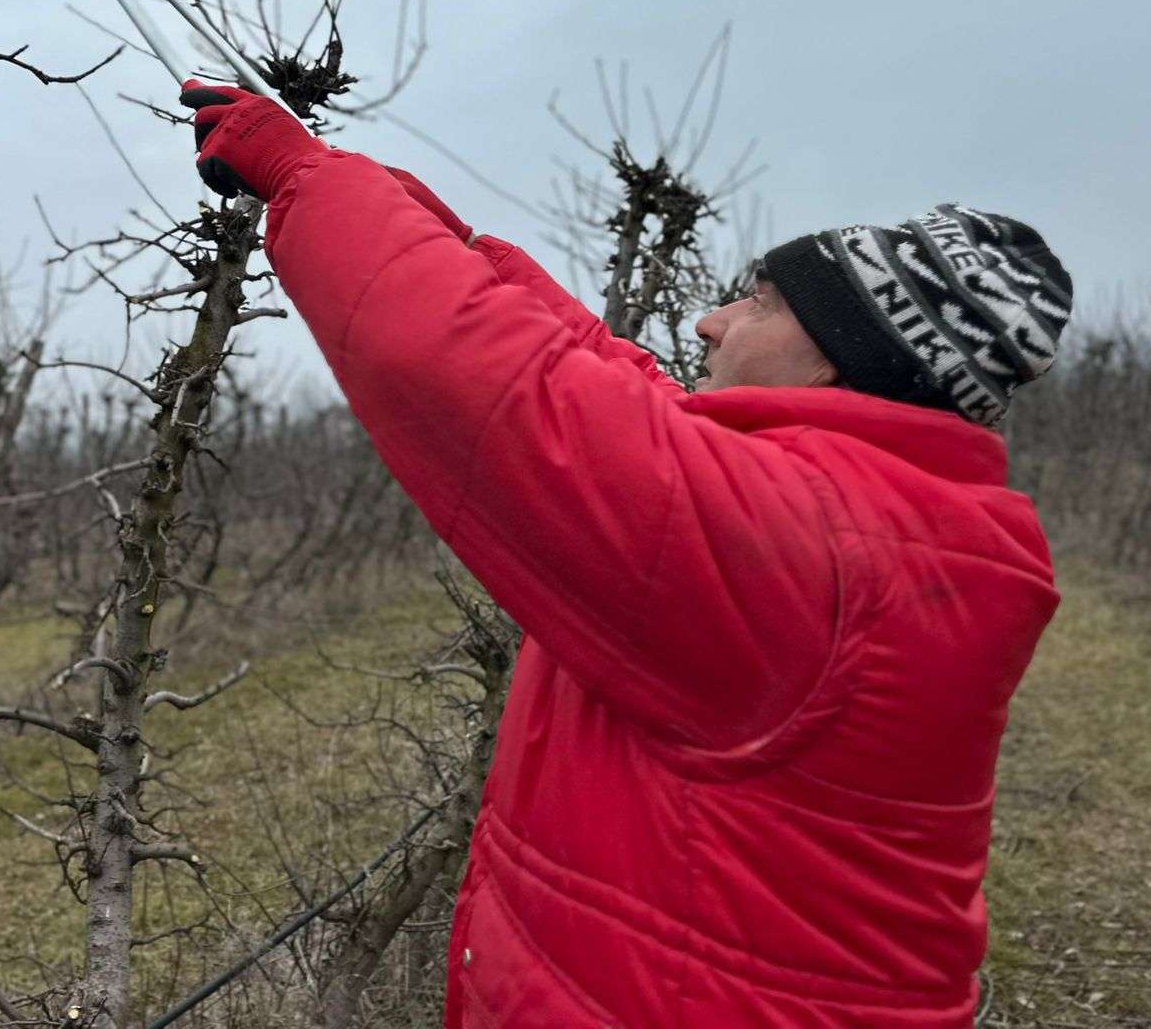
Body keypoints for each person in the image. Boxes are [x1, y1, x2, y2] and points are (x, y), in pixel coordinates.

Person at [178, 80, 1075, 1029]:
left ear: (838, 362)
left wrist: (310, 183)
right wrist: (464, 251)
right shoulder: (900, 523)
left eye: (760, 304)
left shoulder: (816, 556)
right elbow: (624, 389)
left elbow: (491, 383)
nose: (713, 321)